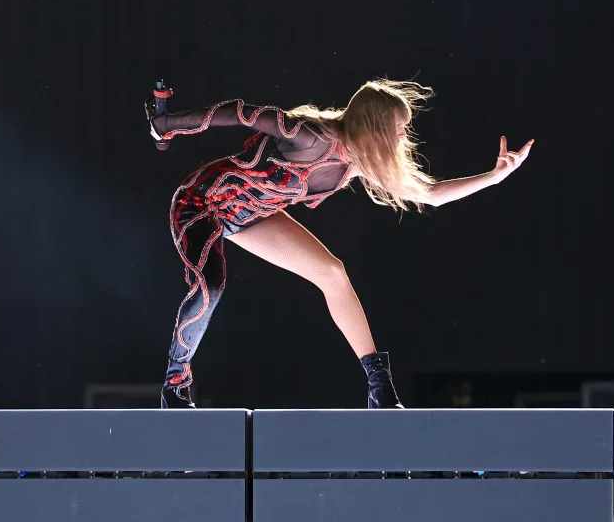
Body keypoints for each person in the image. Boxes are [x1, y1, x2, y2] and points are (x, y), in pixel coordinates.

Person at [145, 78, 534, 408]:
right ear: (375, 125)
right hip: (201, 202)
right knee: (209, 286)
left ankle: (380, 387)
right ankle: (176, 384)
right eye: (398, 128)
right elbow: (240, 112)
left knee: (332, 273)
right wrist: (169, 123)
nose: (402, 136)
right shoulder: (309, 134)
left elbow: (429, 193)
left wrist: (493, 178)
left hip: (250, 217)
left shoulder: (358, 162)